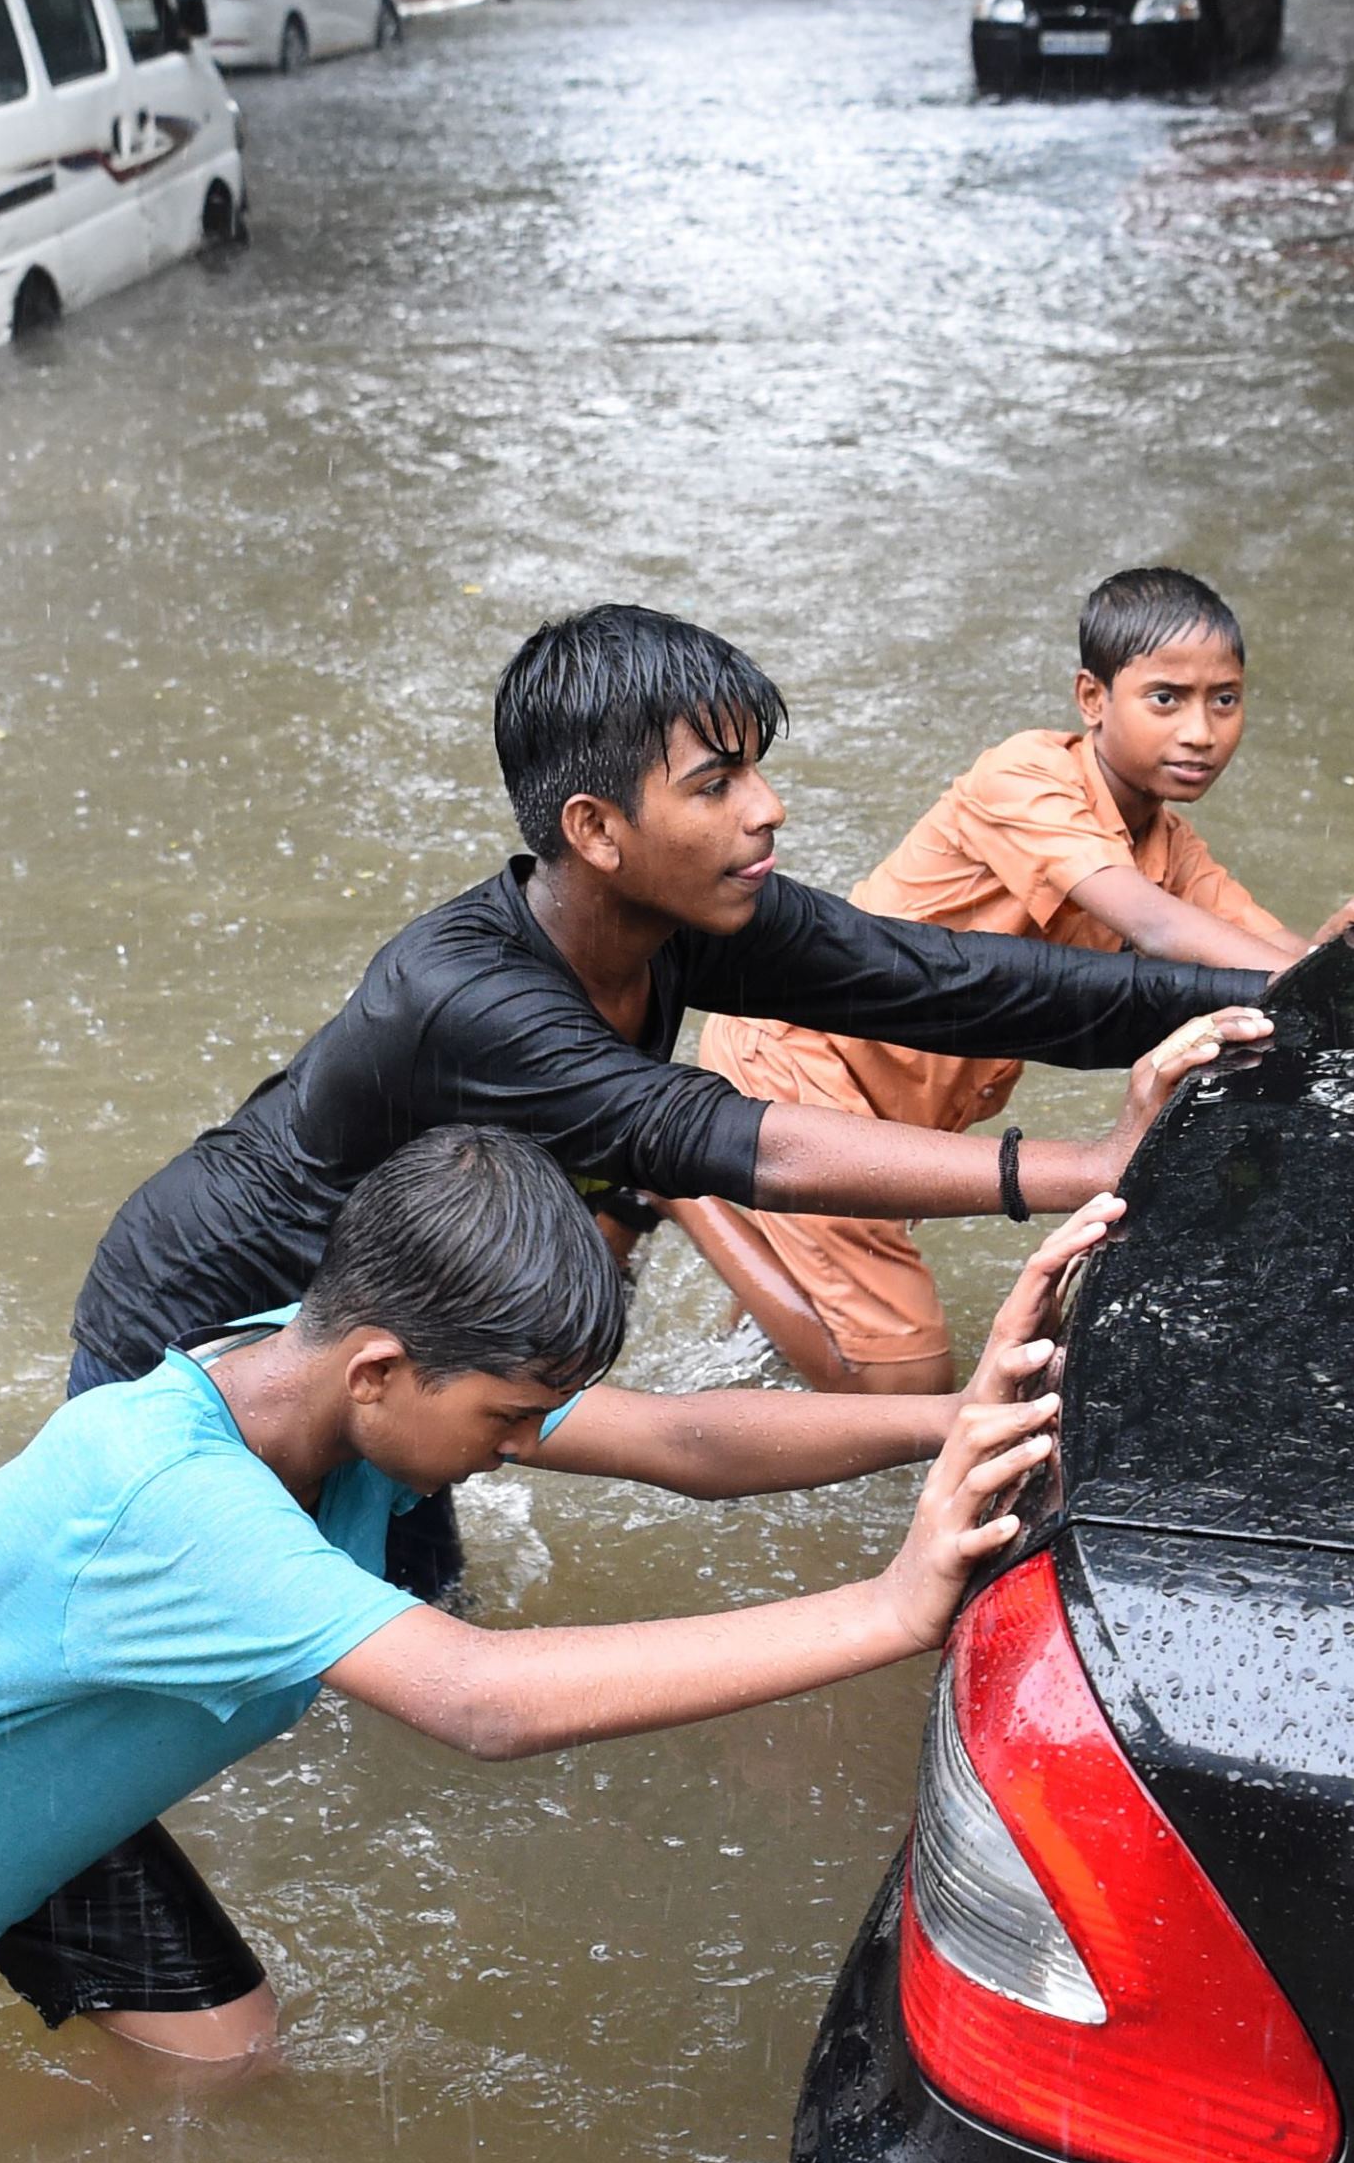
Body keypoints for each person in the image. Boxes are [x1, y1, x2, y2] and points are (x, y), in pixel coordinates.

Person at [0, 1127, 1100, 2062]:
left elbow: (682, 1437)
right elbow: (478, 1699)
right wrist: (889, 1610)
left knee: (222, 2061)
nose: (513, 1452)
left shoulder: (319, 1380)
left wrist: (966, 1414)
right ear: (385, 1364)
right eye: (501, 1420)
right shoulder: (182, 1500)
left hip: (29, 1788)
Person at [67, 604, 1276, 1595]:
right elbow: (724, 1139)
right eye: (716, 783)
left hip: (406, 1319)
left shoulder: (684, 917)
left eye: (756, 769)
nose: (765, 807)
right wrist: (1080, 1167)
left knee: (418, 1602)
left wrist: (1278, 994)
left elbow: (953, 981)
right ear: (596, 829)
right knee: (230, 1642)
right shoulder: (466, 995)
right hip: (215, 1319)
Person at [681, 567, 1354, 1393]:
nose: (1200, 731)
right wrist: (1312, 972)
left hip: (899, 1106)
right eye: (1165, 698)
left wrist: (1344, 950)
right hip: (800, 1061)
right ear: (1092, 697)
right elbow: (1153, 924)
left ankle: (742, 1249)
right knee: (904, 1388)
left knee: (784, 1343)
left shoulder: (1171, 848)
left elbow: (1271, 963)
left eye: (1224, 700)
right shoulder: (1024, 776)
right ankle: (680, 1194)